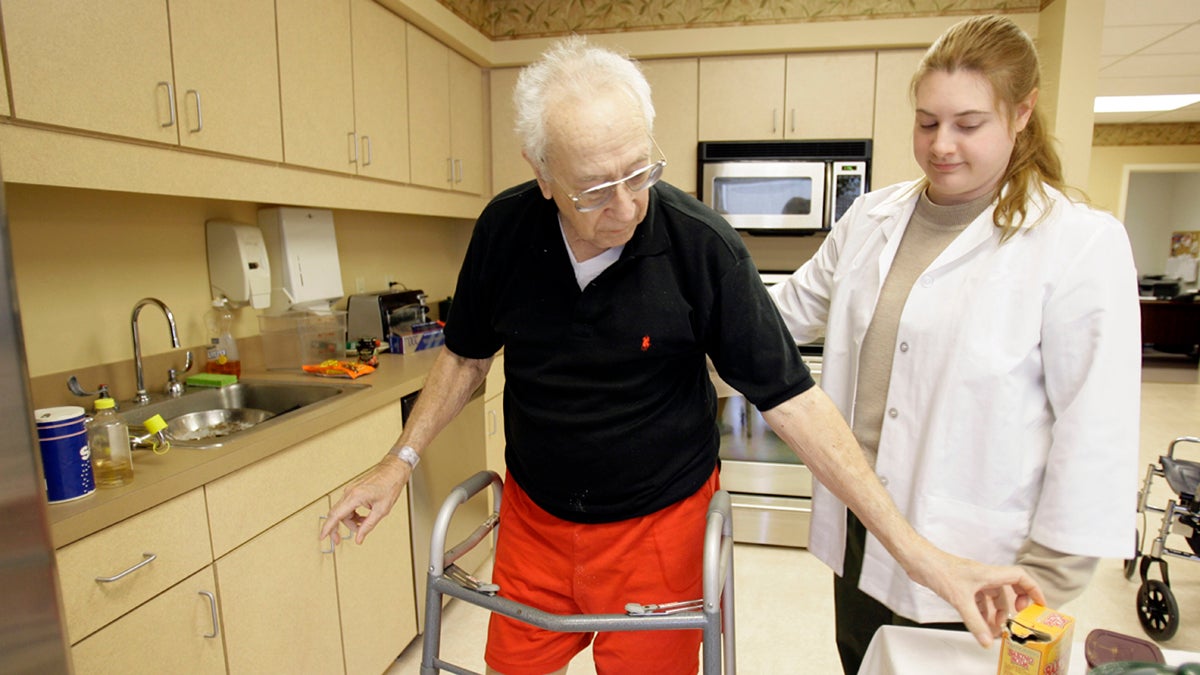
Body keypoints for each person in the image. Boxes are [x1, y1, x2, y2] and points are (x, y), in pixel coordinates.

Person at [321, 36, 1042, 675]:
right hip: (535, 522)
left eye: (641, 172)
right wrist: (400, 459)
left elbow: (796, 405)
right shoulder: (505, 232)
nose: (628, 206)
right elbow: (466, 357)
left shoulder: (702, 247)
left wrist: (923, 557)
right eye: (596, 189)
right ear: (541, 175)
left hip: (659, 527)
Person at [768, 15, 1141, 674]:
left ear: (1021, 113)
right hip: (865, 534)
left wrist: (1040, 598)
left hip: (988, 567)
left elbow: (1096, 436)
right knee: (864, 661)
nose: (941, 144)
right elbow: (782, 318)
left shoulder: (1079, 243)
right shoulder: (871, 218)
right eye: (926, 121)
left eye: (968, 124)